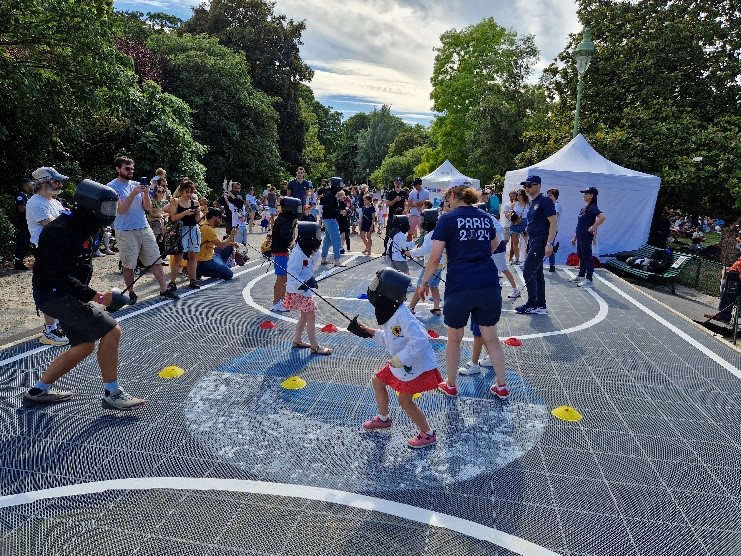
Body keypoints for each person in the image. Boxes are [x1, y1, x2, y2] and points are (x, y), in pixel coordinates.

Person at [23, 179, 146, 410]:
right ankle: (112, 393)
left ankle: (37, 391)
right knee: (111, 329)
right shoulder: (60, 232)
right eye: (106, 208)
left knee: (85, 344)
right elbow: (57, 277)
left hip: (63, 294)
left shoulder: (86, 227)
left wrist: (92, 295)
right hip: (54, 295)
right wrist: (96, 297)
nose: (109, 214)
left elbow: (76, 269)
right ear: (91, 206)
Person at [418, 181, 509, 399]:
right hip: (487, 282)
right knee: (491, 337)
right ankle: (502, 385)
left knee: (454, 337)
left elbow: (434, 257)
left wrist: (424, 283)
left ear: (456, 197)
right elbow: (496, 244)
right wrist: (477, 253)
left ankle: (450, 384)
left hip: (460, 284)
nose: (447, 201)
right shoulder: (486, 218)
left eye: (449, 197)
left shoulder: (447, 220)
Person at [349, 268, 442, 448]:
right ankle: (384, 419)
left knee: (405, 401)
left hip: (413, 365)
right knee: (378, 382)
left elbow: (420, 340)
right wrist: (369, 332)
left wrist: (401, 359)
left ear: (386, 293)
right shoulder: (393, 311)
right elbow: (392, 337)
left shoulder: (403, 316)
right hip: (400, 362)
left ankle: (428, 434)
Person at [107, 156, 179, 304]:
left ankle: (164, 289)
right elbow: (121, 209)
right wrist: (134, 193)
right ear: (117, 169)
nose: (130, 171)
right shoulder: (112, 187)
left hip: (143, 226)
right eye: (127, 168)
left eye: (132, 168)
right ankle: (132, 293)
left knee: (155, 259)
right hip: (125, 230)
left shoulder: (136, 184)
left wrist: (145, 193)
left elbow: (147, 208)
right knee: (129, 264)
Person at [26, 167, 71, 346]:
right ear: (43, 183)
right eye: (56, 181)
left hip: (59, 251)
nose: (60, 184)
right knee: (49, 290)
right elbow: (53, 226)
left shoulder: (54, 201)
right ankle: (50, 330)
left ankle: (58, 323)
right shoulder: (35, 203)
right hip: (46, 252)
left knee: (61, 288)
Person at [284, 222, 331, 355]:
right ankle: (314, 346)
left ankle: (297, 340)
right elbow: (292, 275)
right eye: (315, 235)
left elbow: (311, 264)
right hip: (298, 291)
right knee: (310, 316)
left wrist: (315, 252)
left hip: (303, 290)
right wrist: (305, 282)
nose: (318, 238)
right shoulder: (297, 254)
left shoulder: (305, 249)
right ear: (308, 237)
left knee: (305, 316)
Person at [515, 176, 557, 315]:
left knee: (528, 270)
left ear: (538, 185)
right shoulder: (533, 202)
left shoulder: (545, 201)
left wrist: (549, 243)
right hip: (534, 239)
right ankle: (540, 304)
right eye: (525, 186)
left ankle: (532, 303)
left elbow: (553, 222)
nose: (526, 188)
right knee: (537, 273)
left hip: (541, 239)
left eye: (529, 185)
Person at [406, 209, 444, 315]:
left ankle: (411, 307)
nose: (421, 222)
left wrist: (410, 253)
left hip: (431, 265)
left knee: (420, 285)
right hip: (440, 265)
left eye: (423, 220)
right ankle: (437, 308)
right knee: (434, 286)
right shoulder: (438, 232)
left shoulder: (431, 235)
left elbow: (424, 250)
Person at [168, 179, 202, 289]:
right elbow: (173, 217)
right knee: (178, 256)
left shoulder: (195, 202)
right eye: (187, 191)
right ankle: (172, 282)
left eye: (191, 192)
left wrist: (198, 213)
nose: (189, 194)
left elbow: (197, 219)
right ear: (182, 191)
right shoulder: (175, 201)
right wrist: (185, 213)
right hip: (181, 229)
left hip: (193, 229)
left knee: (193, 256)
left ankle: (193, 279)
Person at [569, 186, 606, 288]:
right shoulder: (585, 208)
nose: (583, 195)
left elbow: (602, 217)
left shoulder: (593, 207)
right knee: (581, 255)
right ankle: (581, 276)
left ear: (591, 195)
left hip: (586, 236)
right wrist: (575, 237)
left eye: (586, 193)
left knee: (587, 258)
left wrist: (593, 227)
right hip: (580, 235)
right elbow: (579, 224)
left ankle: (589, 280)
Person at [270, 196, 302, 312]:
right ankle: (275, 302)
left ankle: (282, 300)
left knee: (285, 277)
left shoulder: (285, 219)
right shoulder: (284, 221)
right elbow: (286, 237)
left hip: (283, 251)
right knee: (281, 277)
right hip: (281, 252)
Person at [196, 207, 238, 281]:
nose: (220, 220)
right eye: (219, 218)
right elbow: (221, 246)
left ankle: (220, 266)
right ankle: (203, 270)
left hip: (212, 254)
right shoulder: (207, 229)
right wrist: (232, 235)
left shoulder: (204, 224)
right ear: (213, 217)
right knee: (229, 274)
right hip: (205, 260)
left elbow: (216, 243)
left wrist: (231, 244)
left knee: (229, 248)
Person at [318, 177, 344, 266]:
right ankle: (337, 260)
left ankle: (324, 258)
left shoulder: (330, 193)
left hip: (328, 218)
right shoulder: (330, 195)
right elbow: (330, 209)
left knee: (328, 238)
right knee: (336, 238)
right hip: (330, 218)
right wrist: (340, 212)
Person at [13, 177, 34, 270]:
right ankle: (18, 262)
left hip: (29, 223)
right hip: (23, 223)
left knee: (26, 244)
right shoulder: (20, 194)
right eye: (31, 183)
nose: (33, 185)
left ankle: (21, 261)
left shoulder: (29, 195)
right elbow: (21, 208)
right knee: (21, 243)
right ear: (25, 185)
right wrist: (34, 210)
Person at [384, 178, 408, 252]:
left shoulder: (404, 193)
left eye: (399, 183)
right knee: (389, 232)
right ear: (394, 183)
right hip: (392, 215)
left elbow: (407, 204)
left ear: (402, 184)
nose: (398, 184)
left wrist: (405, 211)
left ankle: (401, 249)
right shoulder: (390, 193)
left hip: (401, 217)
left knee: (402, 233)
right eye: (396, 183)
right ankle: (386, 250)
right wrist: (394, 200)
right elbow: (387, 205)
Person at [507, 189, 529, 265]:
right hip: (515, 223)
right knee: (515, 242)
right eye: (517, 194)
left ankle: (528, 257)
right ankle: (517, 258)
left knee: (528, 242)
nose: (518, 196)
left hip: (524, 222)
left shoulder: (528, 204)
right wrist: (511, 215)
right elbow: (509, 214)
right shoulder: (514, 204)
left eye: (520, 194)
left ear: (524, 195)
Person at [546, 188, 562, 272]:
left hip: (553, 229)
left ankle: (552, 265)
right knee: (545, 246)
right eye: (548, 195)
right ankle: (553, 248)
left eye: (551, 195)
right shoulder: (548, 205)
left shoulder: (557, 205)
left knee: (549, 245)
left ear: (555, 196)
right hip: (545, 229)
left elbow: (554, 216)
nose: (549, 197)